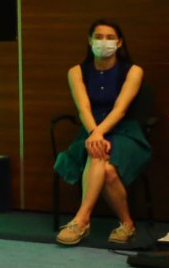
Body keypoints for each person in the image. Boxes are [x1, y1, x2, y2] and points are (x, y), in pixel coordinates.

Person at [53, 21, 146, 246]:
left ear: (119, 42)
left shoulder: (133, 71)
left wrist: (97, 134)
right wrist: (94, 133)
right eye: (99, 36)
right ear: (90, 40)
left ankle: (81, 220)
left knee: (97, 151)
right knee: (106, 168)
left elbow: (120, 109)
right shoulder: (76, 72)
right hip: (90, 129)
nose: (104, 42)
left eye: (110, 37)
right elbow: (83, 108)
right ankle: (127, 225)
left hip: (124, 132)